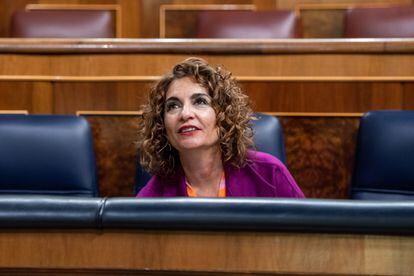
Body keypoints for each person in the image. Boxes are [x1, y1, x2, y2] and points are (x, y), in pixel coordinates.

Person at [137, 57, 304, 198]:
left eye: (200, 101)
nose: (185, 113)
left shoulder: (270, 173)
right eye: (173, 106)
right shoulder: (153, 196)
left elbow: (309, 234)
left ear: (224, 115)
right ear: (162, 125)